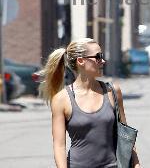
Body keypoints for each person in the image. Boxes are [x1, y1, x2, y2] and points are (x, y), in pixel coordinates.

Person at [39, 38, 141, 168]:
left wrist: (136, 164)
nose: (103, 61)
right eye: (98, 57)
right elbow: (59, 146)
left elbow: (125, 136)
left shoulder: (112, 91)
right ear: (81, 61)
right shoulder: (61, 100)